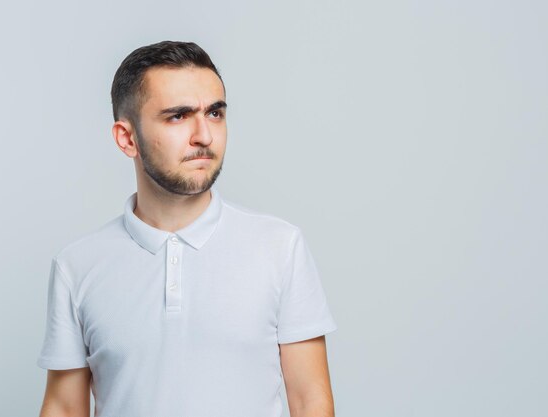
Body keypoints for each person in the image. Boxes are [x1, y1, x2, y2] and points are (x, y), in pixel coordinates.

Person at [36, 40, 338, 417]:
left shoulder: (280, 247)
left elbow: (312, 401)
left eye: (214, 113)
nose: (204, 136)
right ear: (127, 138)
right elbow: (64, 407)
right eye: (178, 116)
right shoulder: (77, 266)